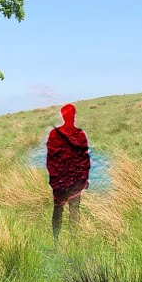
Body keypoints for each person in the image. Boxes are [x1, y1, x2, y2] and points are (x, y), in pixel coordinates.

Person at [46, 103, 91, 245]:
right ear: (74, 116)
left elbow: (50, 160)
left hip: (60, 181)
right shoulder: (80, 135)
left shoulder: (54, 134)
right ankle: (73, 241)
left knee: (58, 209)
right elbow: (85, 159)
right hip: (75, 180)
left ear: (62, 116)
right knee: (74, 209)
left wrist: (53, 179)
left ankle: (56, 241)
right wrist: (85, 179)